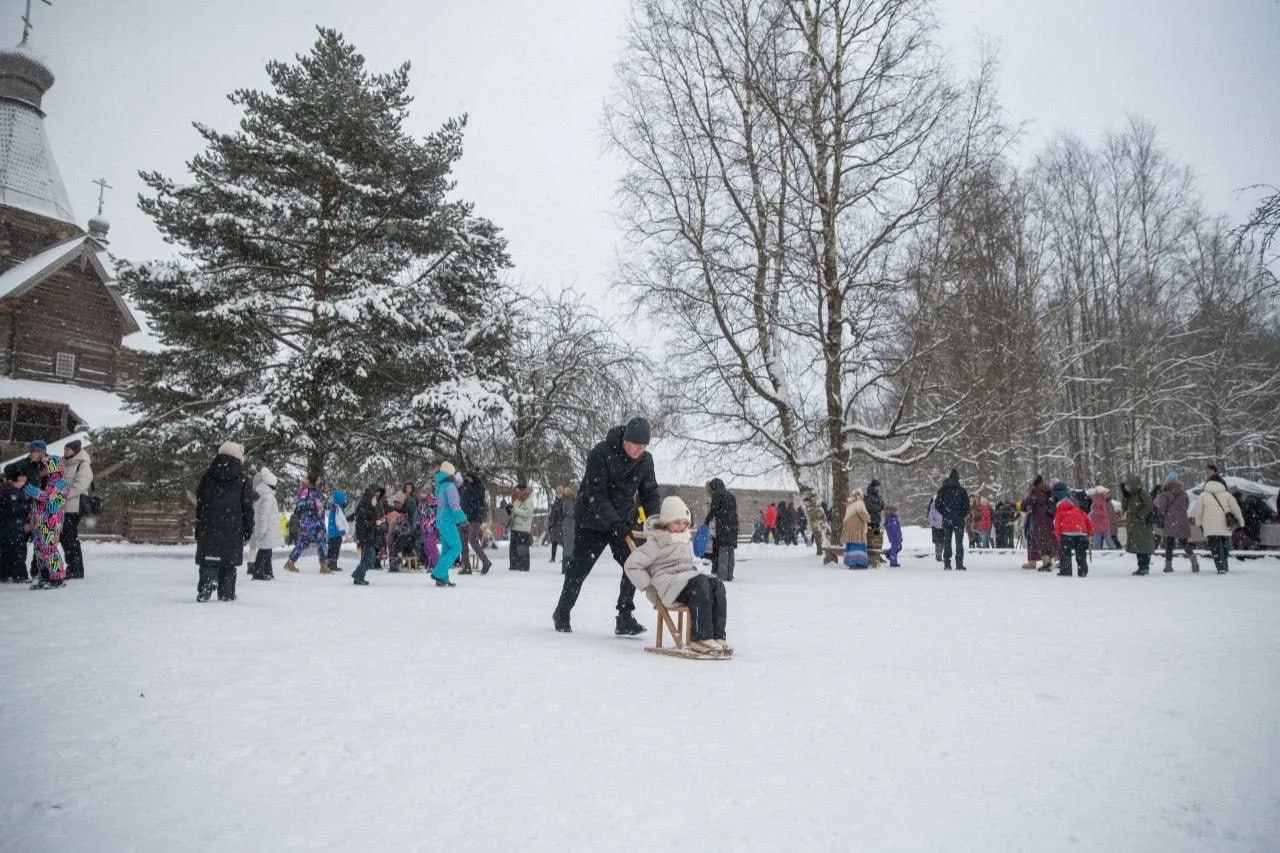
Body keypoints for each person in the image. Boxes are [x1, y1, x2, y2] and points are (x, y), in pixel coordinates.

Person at [552, 417, 660, 634]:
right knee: (578, 570)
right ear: (625, 440)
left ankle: (624, 617)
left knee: (634, 565)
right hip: (592, 520)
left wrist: (656, 521)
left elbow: (650, 493)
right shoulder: (601, 453)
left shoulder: (645, 461)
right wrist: (614, 522)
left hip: (622, 523)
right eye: (635, 445)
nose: (638, 450)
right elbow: (596, 494)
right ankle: (562, 612)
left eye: (643, 446)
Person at [623, 496, 730, 656]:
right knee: (700, 583)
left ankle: (717, 636)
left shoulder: (684, 539)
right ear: (666, 522)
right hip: (669, 587)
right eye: (677, 523)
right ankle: (700, 638)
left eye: (684, 523)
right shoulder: (656, 542)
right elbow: (631, 565)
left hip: (685, 583)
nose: (681, 527)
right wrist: (649, 587)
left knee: (716, 584)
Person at [193, 442, 254, 602]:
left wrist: (199, 525)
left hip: (209, 524)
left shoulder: (208, 475)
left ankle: (208, 581)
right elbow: (247, 506)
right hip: (232, 526)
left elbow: (200, 500)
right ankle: (227, 593)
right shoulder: (242, 478)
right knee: (228, 563)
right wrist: (248, 528)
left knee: (209, 559)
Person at [24, 441, 69, 590]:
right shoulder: (45, 482)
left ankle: (57, 578)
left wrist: (29, 489)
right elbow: (38, 502)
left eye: (45, 467)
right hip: (40, 520)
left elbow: (47, 498)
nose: (42, 470)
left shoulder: (61, 483)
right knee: (39, 550)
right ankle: (44, 575)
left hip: (52, 520)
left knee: (49, 548)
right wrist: (32, 517)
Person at [1195, 471, 1243, 574]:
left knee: (1215, 546)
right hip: (1226, 524)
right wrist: (1241, 522)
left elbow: (1198, 512)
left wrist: (1199, 523)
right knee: (1225, 545)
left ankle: (1220, 566)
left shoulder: (1203, 496)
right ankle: (1224, 564)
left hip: (1210, 526)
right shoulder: (1227, 495)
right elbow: (1236, 509)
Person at [59, 439, 92, 580]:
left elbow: (80, 485)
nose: (65, 452)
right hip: (63, 507)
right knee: (65, 537)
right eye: (64, 449)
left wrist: (62, 495)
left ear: (75, 451)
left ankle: (75, 569)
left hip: (74, 507)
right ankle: (73, 567)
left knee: (69, 537)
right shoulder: (65, 463)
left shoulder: (83, 465)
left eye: (68, 449)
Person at [284, 473, 328, 573]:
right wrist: (319, 505)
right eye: (318, 479)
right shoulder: (309, 491)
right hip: (312, 522)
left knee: (314, 543)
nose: (320, 481)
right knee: (312, 543)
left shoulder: (311, 491)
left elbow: (319, 504)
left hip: (313, 522)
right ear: (314, 480)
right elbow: (309, 505)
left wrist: (329, 505)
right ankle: (291, 562)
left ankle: (323, 565)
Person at [432, 463, 466, 587]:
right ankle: (438, 572)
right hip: (447, 521)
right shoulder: (450, 486)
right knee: (457, 547)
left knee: (446, 550)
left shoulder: (441, 486)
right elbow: (454, 505)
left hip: (441, 520)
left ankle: (443, 578)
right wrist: (463, 519)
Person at [1155, 473, 1198, 573]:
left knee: (1169, 543)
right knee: (1184, 542)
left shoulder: (1165, 494)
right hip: (1182, 519)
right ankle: (1193, 559)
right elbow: (1186, 506)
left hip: (1170, 520)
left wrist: (1166, 513)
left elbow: (1162, 509)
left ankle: (1168, 566)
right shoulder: (1184, 493)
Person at [249, 467, 283, 580]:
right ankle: (258, 572)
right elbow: (264, 515)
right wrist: (262, 530)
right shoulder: (268, 497)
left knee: (267, 551)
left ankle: (267, 571)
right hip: (268, 529)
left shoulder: (263, 495)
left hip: (268, 528)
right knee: (265, 551)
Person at [1120, 476, 1156, 576]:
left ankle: (1144, 567)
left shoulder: (1142, 494)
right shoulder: (1130, 495)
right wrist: (1125, 496)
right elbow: (1124, 507)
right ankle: (1141, 567)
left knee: (1144, 547)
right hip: (1134, 526)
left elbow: (1149, 506)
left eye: (1128, 486)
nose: (1126, 488)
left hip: (1142, 525)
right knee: (1138, 548)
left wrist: (1140, 515)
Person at [704, 478, 739, 581]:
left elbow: (713, 510)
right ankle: (729, 575)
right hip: (733, 526)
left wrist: (706, 522)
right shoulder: (731, 496)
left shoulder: (717, 495)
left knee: (723, 550)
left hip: (723, 526)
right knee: (730, 551)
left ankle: (723, 577)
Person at [935, 469, 970, 571]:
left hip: (947, 520)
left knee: (947, 542)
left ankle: (947, 563)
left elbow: (937, 504)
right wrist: (962, 514)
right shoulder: (962, 491)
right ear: (958, 478)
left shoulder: (943, 490)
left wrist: (944, 513)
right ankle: (959, 564)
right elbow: (967, 505)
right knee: (959, 543)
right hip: (958, 520)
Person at [351, 484, 386, 586]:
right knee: (370, 557)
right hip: (365, 535)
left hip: (371, 534)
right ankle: (358, 575)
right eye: (377, 491)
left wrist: (380, 521)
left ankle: (359, 576)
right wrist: (375, 522)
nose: (378, 494)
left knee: (369, 557)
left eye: (379, 492)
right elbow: (362, 521)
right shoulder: (365, 503)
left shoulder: (374, 502)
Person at [458, 472, 491, 575]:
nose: (467, 480)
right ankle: (466, 566)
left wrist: (467, 487)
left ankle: (485, 561)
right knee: (463, 542)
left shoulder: (479, 487)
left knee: (473, 540)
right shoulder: (464, 488)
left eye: (468, 478)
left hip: (474, 518)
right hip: (463, 517)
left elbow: (475, 498)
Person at [0, 470, 29, 583]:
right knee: (17, 551)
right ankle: (19, 574)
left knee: (7, 551)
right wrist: (28, 507)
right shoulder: (12, 492)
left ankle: (6, 573)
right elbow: (14, 509)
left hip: (8, 527)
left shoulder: (6, 490)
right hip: (13, 527)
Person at [1053, 495, 1092, 577]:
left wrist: (1058, 537)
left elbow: (1057, 526)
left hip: (1067, 535)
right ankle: (1083, 571)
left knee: (1065, 553)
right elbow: (1088, 522)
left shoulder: (1060, 513)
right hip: (1081, 534)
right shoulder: (1079, 511)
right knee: (1081, 554)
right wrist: (1089, 533)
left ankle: (1066, 570)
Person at [1023, 475, 1055, 570]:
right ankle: (1050, 560)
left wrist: (1021, 505)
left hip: (1039, 518)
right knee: (1048, 540)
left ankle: (1046, 563)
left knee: (1039, 540)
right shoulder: (1049, 490)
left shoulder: (1036, 491)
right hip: (1049, 518)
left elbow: (1029, 502)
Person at [508, 483, 535, 571]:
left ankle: (524, 566)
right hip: (515, 527)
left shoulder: (529, 500)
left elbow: (527, 513)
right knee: (513, 549)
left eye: (518, 490)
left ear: (523, 490)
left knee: (522, 548)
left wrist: (514, 510)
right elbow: (514, 512)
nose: (516, 492)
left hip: (523, 528)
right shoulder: (517, 500)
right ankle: (514, 565)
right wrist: (509, 511)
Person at [841, 489, 870, 569]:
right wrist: (868, 519)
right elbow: (864, 515)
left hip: (848, 527)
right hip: (857, 527)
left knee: (850, 543)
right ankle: (857, 563)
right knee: (857, 544)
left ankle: (849, 561)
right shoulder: (859, 503)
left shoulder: (850, 504)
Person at [864, 480, 885, 566]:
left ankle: (877, 555)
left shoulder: (878, 496)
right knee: (871, 538)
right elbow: (869, 507)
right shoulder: (868, 496)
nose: (878, 488)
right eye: (877, 486)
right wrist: (879, 508)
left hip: (877, 520)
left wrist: (882, 506)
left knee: (877, 538)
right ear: (873, 486)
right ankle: (870, 556)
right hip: (870, 520)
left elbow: (882, 504)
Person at [559, 486, 577, 575]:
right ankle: (569, 568)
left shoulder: (566, 502)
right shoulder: (573, 502)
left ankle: (566, 568)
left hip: (568, 526)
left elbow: (566, 512)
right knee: (570, 548)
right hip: (570, 526)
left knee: (567, 549)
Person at [547, 486, 566, 563]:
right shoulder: (556, 502)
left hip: (560, 525)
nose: (558, 494)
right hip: (554, 525)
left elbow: (563, 513)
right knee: (554, 542)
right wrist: (550, 523)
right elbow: (552, 514)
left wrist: (561, 522)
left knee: (562, 542)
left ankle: (565, 557)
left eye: (559, 493)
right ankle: (553, 557)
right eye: (557, 493)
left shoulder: (563, 502)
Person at [927, 496, 944, 561]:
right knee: (937, 542)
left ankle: (940, 553)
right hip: (936, 528)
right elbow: (930, 519)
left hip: (943, 527)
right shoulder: (933, 508)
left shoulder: (944, 507)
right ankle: (938, 555)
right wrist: (936, 524)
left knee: (942, 542)